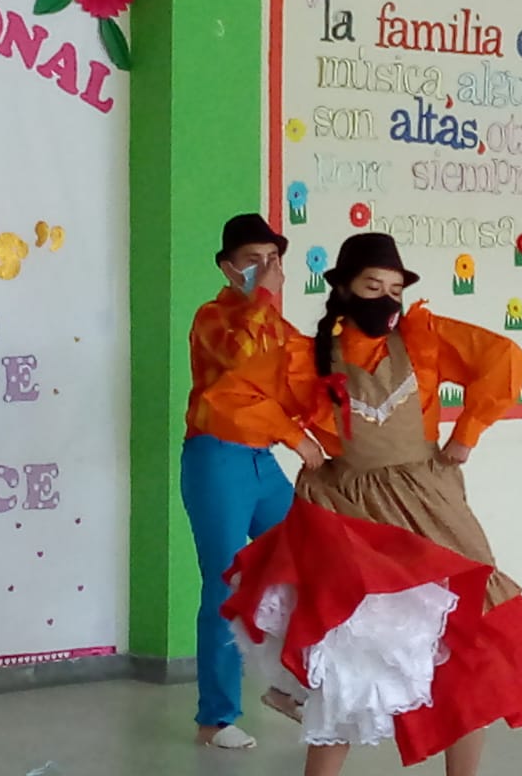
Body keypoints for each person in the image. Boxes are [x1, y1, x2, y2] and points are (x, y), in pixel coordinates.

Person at [203, 232, 522, 776]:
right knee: (349, 652)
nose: (385, 299)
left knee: (464, 639)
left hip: (428, 505)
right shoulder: (310, 358)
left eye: (395, 290)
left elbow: (504, 359)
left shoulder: (424, 340)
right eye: (372, 286)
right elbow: (230, 395)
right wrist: (296, 438)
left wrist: (467, 433)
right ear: (344, 289)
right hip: (351, 510)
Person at [182, 213, 307, 750]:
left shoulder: (276, 325)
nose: (266, 269)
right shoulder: (212, 317)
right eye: (253, 260)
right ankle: (215, 719)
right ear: (228, 268)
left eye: (273, 259)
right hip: (216, 457)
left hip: (262, 460)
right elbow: (237, 360)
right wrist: (263, 297)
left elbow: (306, 372)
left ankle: (287, 687)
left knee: (308, 559)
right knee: (225, 583)